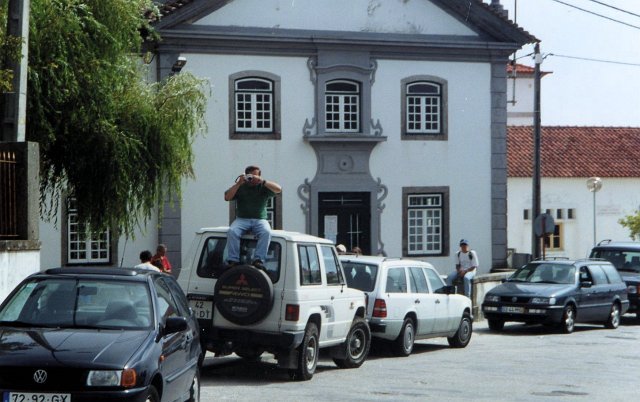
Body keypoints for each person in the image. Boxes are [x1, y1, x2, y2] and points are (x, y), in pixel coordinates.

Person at [224, 165, 282, 270]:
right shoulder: (241, 187)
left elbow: (278, 189)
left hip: (260, 219)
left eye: (255, 176)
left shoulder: (263, 187)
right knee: (232, 231)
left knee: (266, 232)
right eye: (250, 176)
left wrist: (262, 181)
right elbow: (227, 197)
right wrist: (238, 183)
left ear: (259, 176)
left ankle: (259, 260)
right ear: (246, 176)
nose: (252, 179)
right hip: (242, 219)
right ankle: (233, 260)